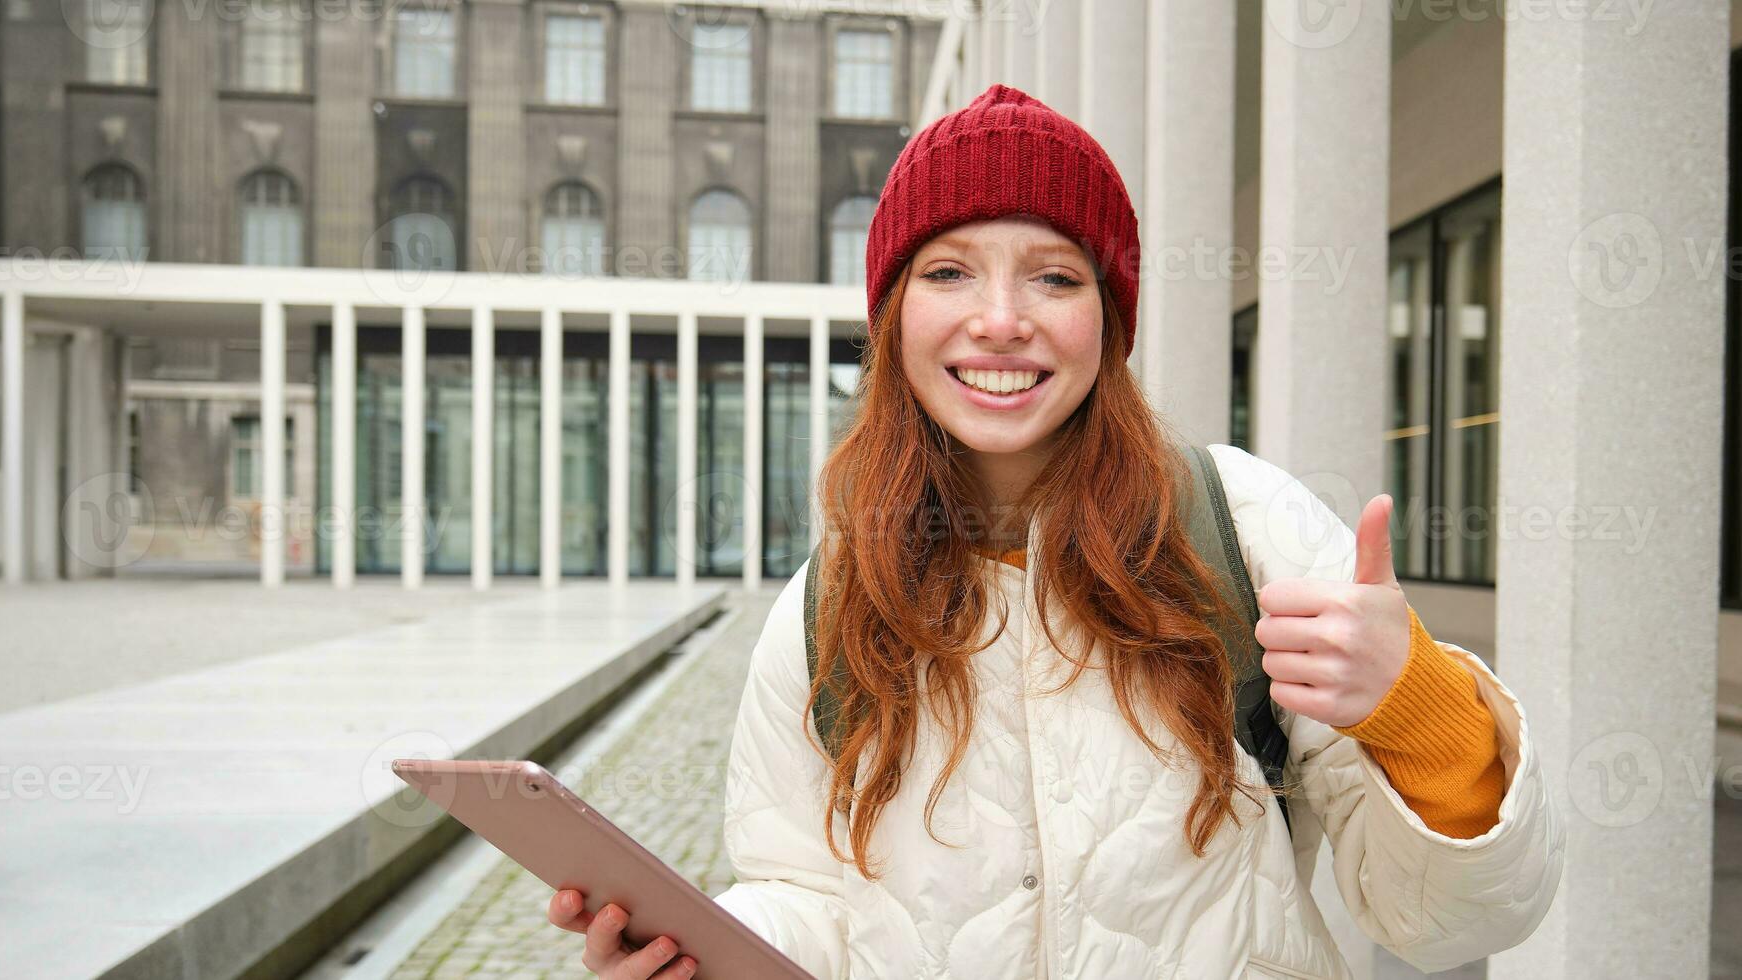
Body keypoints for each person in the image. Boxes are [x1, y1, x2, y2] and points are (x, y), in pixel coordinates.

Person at [549, 84, 1562, 979]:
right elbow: (813, 904)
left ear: (1108, 321)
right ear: (894, 316)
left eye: (1053, 276)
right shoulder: (829, 599)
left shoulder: (1244, 530)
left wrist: (1419, 705)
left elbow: (1454, 918)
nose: (999, 319)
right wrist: (702, 946)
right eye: (948, 272)